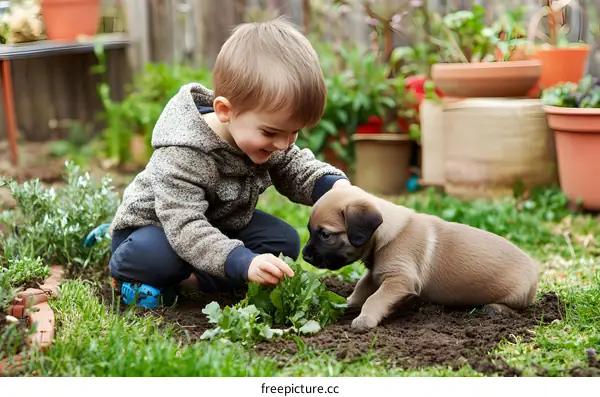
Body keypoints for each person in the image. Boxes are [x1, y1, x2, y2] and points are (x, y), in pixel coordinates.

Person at [103, 17, 351, 308]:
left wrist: (337, 189)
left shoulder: (264, 139)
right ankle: (126, 274)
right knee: (158, 257)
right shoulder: (184, 151)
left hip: (217, 226)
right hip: (158, 230)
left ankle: (192, 280)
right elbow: (186, 227)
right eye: (271, 132)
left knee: (282, 242)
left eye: (294, 132)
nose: (284, 144)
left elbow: (297, 169)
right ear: (224, 110)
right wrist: (241, 262)